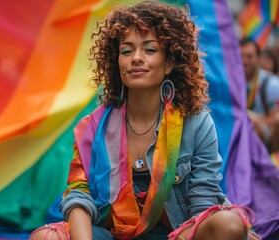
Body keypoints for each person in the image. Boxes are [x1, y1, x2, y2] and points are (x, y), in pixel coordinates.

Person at [31, 2, 259, 240]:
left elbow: (202, 208)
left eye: (150, 50)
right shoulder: (94, 126)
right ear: (116, 62)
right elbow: (79, 195)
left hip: (180, 234)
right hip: (113, 235)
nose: (136, 58)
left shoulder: (196, 123)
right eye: (126, 51)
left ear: (169, 63)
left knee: (228, 223)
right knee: (45, 237)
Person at [240, 38, 279, 153]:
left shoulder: (271, 83)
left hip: (265, 140)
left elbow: (276, 120)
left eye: (249, 56)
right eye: (241, 56)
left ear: (257, 58)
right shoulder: (230, 82)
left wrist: (253, 118)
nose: (244, 61)